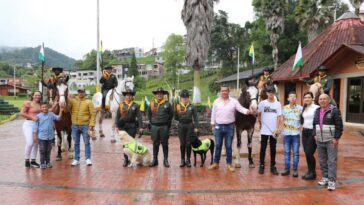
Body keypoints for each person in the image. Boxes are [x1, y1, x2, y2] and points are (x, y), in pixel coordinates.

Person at [208, 85, 252, 172]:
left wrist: (248, 111)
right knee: (218, 146)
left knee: (228, 146)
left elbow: (241, 109)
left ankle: (229, 164)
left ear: (228, 91)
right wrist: (212, 125)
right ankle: (216, 163)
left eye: (225, 91)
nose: (224, 92)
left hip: (229, 127)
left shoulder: (234, 101)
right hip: (218, 127)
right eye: (222, 91)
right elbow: (213, 114)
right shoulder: (216, 101)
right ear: (220, 92)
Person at [313, 94, 343, 191]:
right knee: (322, 161)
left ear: (329, 100)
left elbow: (339, 126)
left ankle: (331, 181)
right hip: (320, 140)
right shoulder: (317, 111)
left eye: (324, 99)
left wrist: (336, 138)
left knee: (331, 161)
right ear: (318, 101)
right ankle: (325, 178)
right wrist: (315, 134)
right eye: (321, 99)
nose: (322, 100)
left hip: (331, 141)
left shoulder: (334, 111)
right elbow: (314, 123)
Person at [115, 89, 144, 167]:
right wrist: (117, 126)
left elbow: (139, 117)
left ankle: (132, 158)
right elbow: (117, 116)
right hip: (123, 127)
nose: (129, 97)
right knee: (125, 144)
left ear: (132, 97)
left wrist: (141, 127)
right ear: (125, 96)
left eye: (130, 95)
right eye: (127, 95)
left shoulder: (136, 105)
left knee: (131, 143)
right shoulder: (121, 105)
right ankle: (125, 159)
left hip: (132, 126)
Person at [67, 87, 96, 166]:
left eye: (82, 92)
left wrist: (92, 124)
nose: (80, 93)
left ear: (84, 93)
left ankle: (88, 158)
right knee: (76, 143)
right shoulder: (73, 101)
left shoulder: (89, 102)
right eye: (79, 92)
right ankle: (76, 159)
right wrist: (67, 101)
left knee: (86, 142)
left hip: (85, 125)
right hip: (75, 125)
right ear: (77, 93)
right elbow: (66, 110)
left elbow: (93, 114)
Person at [257, 86, 282, 175]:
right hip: (264, 130)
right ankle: (262, 165)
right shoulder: (262, 103)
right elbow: (258, 113)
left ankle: (273, 166)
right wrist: (260, 121)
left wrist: (277, 128)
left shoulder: (278, 104)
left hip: (273, 131)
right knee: (263, 148)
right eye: (269, 92)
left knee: (273, 148)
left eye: (272, 92)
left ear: (274, 93)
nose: (271, 94)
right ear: (267, 93)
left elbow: (279, 117)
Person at [33, 102, 63, 169]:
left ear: (48, 108)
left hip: (50, 136)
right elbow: (35, 127)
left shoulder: (51, 114)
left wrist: (61, 110)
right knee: (42, 150)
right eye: (43, 107)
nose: (44, 108)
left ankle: (48, 162)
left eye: (46, 107)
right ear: (41, 108)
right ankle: (42, 163)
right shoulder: (38, 116)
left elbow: (59, 118)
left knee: (48, 150)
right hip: (42, 136)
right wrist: (34, 135)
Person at [148, 87, 173, 168]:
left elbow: (171, 115)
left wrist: (167, 125)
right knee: (155, 143)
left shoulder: (167, 104)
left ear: (163, 94)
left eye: (161, 94)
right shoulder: (151, 103)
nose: (159, 95)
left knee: (165, 144)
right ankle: (155, 160)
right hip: (154, 126)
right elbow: (149, 114)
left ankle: (165, 160)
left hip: (164, 126)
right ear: (155, 95)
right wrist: (152, 123)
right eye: (157, 94)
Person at [174, 89, 199, 168]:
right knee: (182, 144)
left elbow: (196, 117)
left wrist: (196, 127)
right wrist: (181, 121)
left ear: (188, 98)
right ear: (181, 98)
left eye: (186, 98)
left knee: (188, 144)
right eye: (183, 98)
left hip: (189, 126)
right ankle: (182, 160)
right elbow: (176, 117)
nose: (185, 99)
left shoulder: (192, 106)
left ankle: (188, 160)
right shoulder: (177, 106)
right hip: (181, 126)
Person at [281, 91, 303, 177]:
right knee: (286, 152)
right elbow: (281, 119)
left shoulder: (300, 108)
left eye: (294, 97)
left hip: (296, 134)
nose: (293, 98)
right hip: (286, 134)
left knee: (296, 152)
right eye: (291, 97)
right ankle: (286, 168)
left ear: (296, 98)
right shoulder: (284, 108)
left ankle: (295, 170)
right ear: (288, 98)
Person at [301, 91, 320, 180]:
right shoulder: (304, 108)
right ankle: (310, 172)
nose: (307, 99)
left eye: (309, 97)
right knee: (306, 153)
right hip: (304, 132)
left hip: (313, 132)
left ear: (312, 98)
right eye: (305, 97)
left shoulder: (317, 108)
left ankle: (313, 173)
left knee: (309, 153)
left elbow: (318, 121)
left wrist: (316, 133)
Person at [20, 91, 42, 168]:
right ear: (33, 96)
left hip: (38, 125)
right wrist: (32, 117)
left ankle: (33, 160)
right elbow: (22, 113)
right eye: (36, 95)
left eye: (39, 95)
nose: (37, 96)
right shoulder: (28, 103)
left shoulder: (41, 104)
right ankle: (26, 160)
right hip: (29, 124)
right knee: (30, 142)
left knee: (36, 143)